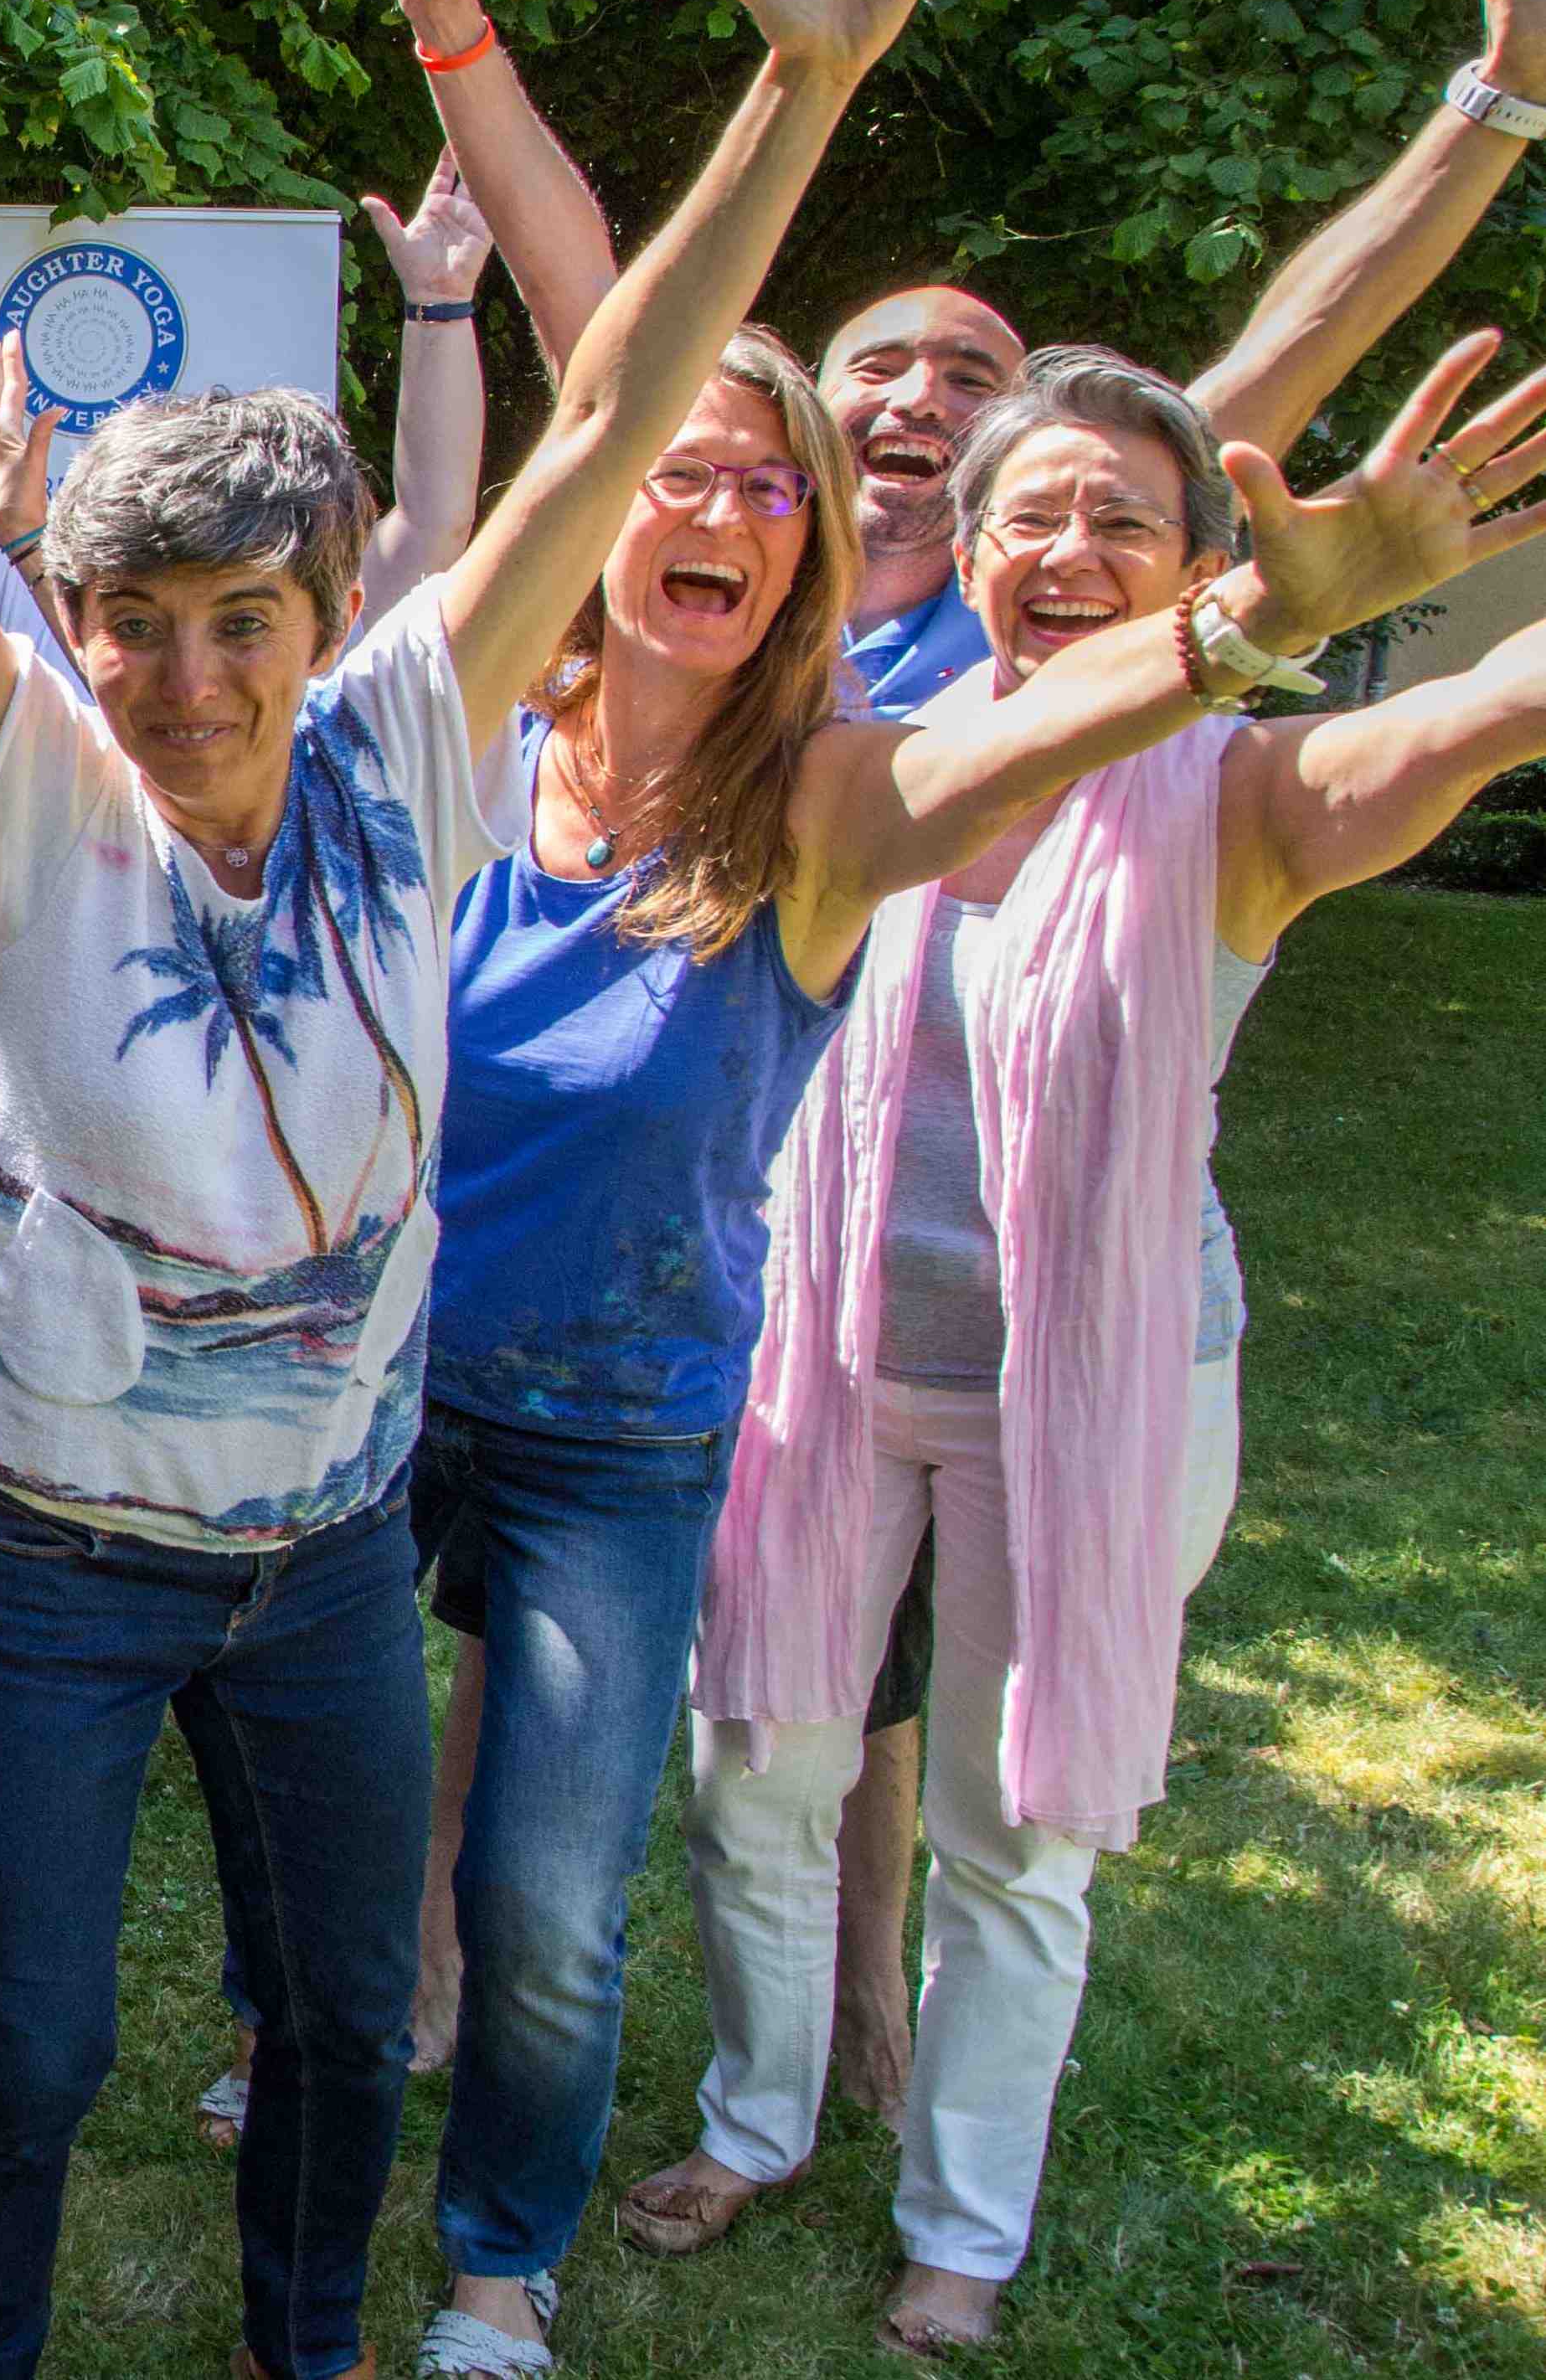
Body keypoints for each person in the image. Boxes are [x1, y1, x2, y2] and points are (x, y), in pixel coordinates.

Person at [0, 0, 1002, 2378]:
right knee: (38, 2048)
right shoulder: (14, 780)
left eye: (248, 623)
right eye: (140, 627)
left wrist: (796, 98)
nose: (196, 681)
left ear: (337, 615)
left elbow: (624, 398)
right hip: (40, 1555)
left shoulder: (406, 744)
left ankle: (305, 2348)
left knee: (342, 2026)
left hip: (326, 1548)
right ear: (69, 633)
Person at [396, 0, 1546, 2120]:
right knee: (705, 1694)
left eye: (971, 372)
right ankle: (516, 2019)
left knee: (887, 1721)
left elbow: (1290, 346)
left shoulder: (1061, 594)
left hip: (1016, 1301)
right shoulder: (787, 647)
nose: (920, 399)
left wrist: (1488, 109)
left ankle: (857, 2042)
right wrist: (458, 51)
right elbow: (590, 314)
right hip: (774, 1278)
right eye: (881, 371)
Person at [624, 338, 1546, 2357]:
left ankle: (961, 2226)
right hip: (832, 1372)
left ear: (1206, 568)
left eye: (1122, 519)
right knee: (756, 1767)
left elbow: (1483, 707)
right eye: (1028, 512)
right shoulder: (870, 753)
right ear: (964, 549)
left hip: (1096, 1398)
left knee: (1010, 1834)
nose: (1067, 549)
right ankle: (756, 2120)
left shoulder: (1239, 793)